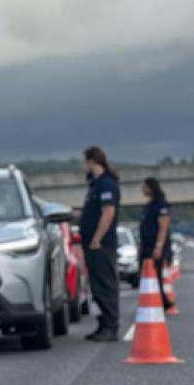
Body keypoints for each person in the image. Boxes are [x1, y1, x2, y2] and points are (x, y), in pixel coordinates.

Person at [79, 146, 121, 341]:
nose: (82, 165)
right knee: (96, 287)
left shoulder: (106, 184)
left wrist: (97, 238)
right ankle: (104, 323)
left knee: (105, 285)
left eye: (84, 161)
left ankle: (111, 326)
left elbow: (108, 214)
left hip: (101, 244)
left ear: (92, 161)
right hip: (91, 243)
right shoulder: (95, 185)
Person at [139, 177, 174, 311]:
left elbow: (163, 227)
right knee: (147, 275)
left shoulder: (161, 204)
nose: (142, 189)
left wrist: (158, 246)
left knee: (156, 275)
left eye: (144, 187)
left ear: (151, 187)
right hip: (146, 245)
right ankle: (155, 300)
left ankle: (162, 301)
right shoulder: (148, 206)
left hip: (155, 245)